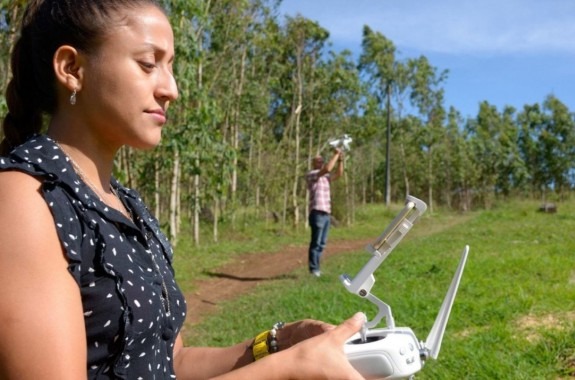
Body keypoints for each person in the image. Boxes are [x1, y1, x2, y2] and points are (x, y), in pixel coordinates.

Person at [0, 1, 366, 379]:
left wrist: (278, 344)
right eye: (148, 64)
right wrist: (286, 371)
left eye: (170, 66)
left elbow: (171, 363)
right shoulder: (24, 201)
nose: (171, 89)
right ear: (72, 69)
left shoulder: (127, 205)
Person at [306, 148, 344, 277]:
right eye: (318, 161)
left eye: (322, 161)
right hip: (316, 212)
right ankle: (314, 269)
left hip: (326, 212)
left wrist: (340, 160)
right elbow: (328, 169)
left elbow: (338, 174)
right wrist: (336, 154)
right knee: (316, 242)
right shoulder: (312, 174)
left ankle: (317, 268)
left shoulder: (326, 177)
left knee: (322, 243)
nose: (321, 162)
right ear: (313, 163)